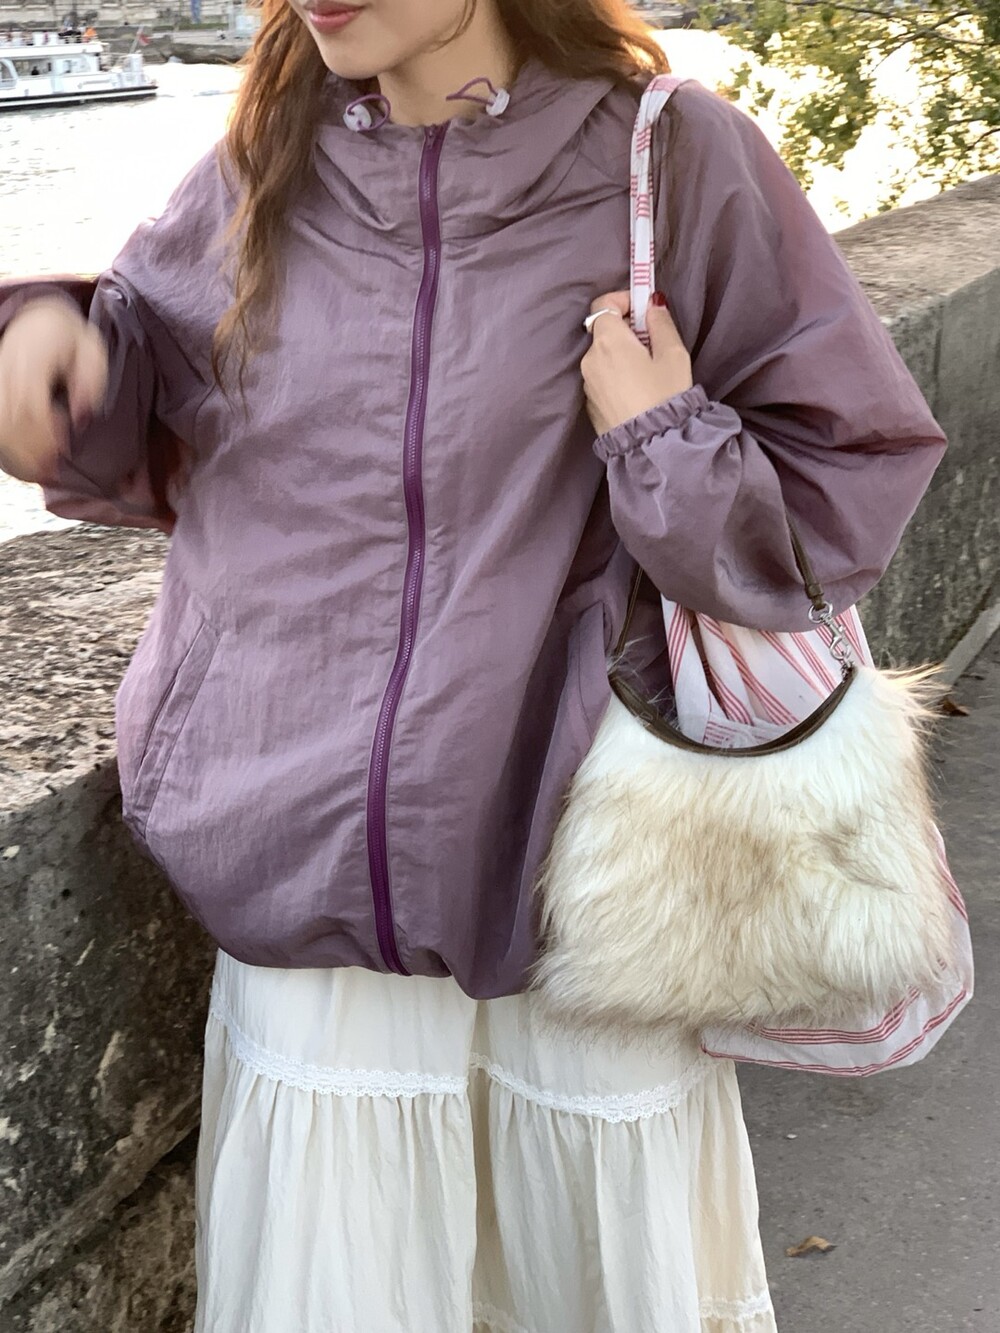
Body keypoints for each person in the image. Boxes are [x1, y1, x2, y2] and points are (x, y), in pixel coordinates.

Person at [0, 1, 946, 1329]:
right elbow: (144, 397)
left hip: (584, 899)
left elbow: (842, 492)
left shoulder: (674, 161)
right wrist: (55, 355)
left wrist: (662, 438)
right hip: (305, 901)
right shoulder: (264, 162)